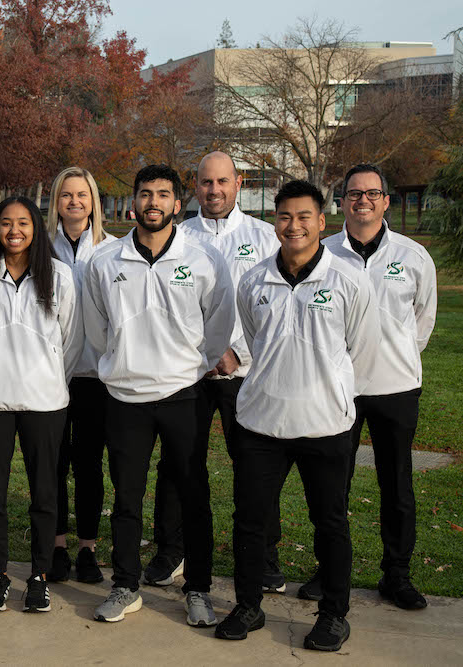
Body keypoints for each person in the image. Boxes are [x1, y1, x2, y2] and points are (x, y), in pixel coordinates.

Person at [215, 180, 379, 651]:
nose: (294, 225)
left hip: (324, 425)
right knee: (250, 521)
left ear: (321, 222)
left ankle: (334, 614)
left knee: (330, 522)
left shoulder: (348, 281)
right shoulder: (254, 280)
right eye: (285, 217)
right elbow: (253, 338)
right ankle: (248, 605)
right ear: (275, 223)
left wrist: (330, 394)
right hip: (261, 424)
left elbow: (359, 351)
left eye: (304, 216)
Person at [83, 165, 234, 626]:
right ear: (133, 201)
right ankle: (126, 586)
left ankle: (199, 590)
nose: (154, 202)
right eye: (145, 193)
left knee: (193, 495)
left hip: (182, 394)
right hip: (126, 396)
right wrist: (121, 364)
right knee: (127, 497)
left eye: (163, 194)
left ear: (176, 203)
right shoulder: (105, 261)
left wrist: (192, 364)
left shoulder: (204, 258)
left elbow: (219, 324)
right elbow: (95, 328)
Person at [149, 152, 282, 591]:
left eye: (223, 181)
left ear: (238, 183)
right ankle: (171, 551)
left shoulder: (265, 237)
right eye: (206, 183)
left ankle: (262, 556)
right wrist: (210, 352)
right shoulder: (178, 237)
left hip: (246, 374)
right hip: (190, 375)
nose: (214, 191)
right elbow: (170, 312)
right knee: (179, 465)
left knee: (256, 466)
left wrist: (235, 353)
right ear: (195, 185)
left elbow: (272, 306)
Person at [313, 164, 436, 609]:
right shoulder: (322, 253)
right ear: (341, 202)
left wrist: (394, 354)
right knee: (331, 486)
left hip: (395, 387)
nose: (362, 200)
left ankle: (396, 575)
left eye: (372, 193)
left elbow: (422, 322)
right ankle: (327, 572)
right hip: (336, 387)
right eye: (353, 194)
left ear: (386, 201)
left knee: (396, 484)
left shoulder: (414, 256)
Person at [0, 196, 82, 613]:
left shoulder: (59, 277)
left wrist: (49, 377)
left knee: (44, 492)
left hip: (44, 400)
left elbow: (72, 339)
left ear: (36, 228)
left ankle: (39, 577)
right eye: (6, 223)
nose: (14, 231)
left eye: (24, 223)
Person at [44, 166, 116, 585]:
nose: (74, 202)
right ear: (56, 201)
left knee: (89, 463)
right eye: (66, 195)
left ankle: (88, 548)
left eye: (82, 195)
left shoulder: (112, 249)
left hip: (94, 374)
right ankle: (56, 545)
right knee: (53, 463)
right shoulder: (41, 248)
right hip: (52, 372)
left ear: (94, 202)